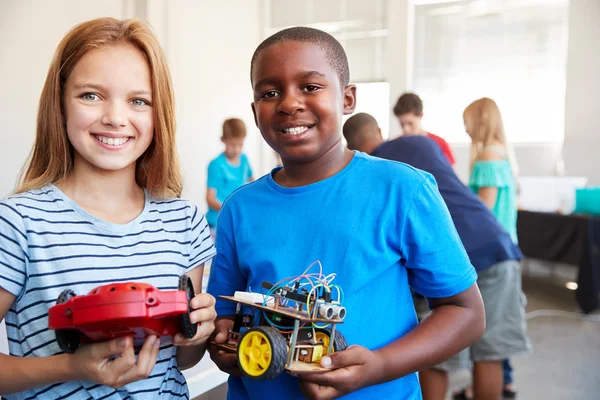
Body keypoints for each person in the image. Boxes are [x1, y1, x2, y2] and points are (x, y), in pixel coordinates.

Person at [207, 27, 485, 400]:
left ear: (348, 98)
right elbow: (225, 313)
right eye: (270, 92)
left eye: (310, 86)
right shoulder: (238, 208)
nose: (289, 103)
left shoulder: (402, 189)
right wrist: (224, 340)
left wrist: (382, 365)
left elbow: (465, 312)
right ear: (255, 112)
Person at [0, 18, 217, 399]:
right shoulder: (18, 223)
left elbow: (183, 358)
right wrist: (70, 366)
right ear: (60, 104)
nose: (116, 118)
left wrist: (197, 332)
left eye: (138, 101)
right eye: (91, 95)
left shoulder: (184, 222)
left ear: (158, 114)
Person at [343, 113, 530, 400]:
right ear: (379, 130)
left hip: (454, 253)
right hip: (495, 244)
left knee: (435, 356)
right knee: (489, 353)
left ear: (351, 147)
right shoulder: (421, 142)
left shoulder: (372, 172)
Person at [460, 97, 522, 399]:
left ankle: (482, 386)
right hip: (508, 246)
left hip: (489, 252)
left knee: (488, 329)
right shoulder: (503, 154)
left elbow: (483, 208)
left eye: (468, 122)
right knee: (499, 319)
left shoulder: (487, 156)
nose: (466, 130)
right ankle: (504, 381)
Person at [206, 118, 254, 231]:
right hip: (217, 222)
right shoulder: (216, 164)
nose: (237, 149)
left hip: (238, 220)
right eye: (232, 145)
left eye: (240, 144)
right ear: (223, 140)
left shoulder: (244, 159)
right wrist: (230, 210)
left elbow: (253, 182)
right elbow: (210, 198)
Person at [393, 92, 456, 165]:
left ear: (421, 115)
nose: (405, 129)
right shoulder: (396, 146)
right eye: (402, 124)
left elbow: (448, 174)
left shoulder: (440, 143)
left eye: (410, 123)